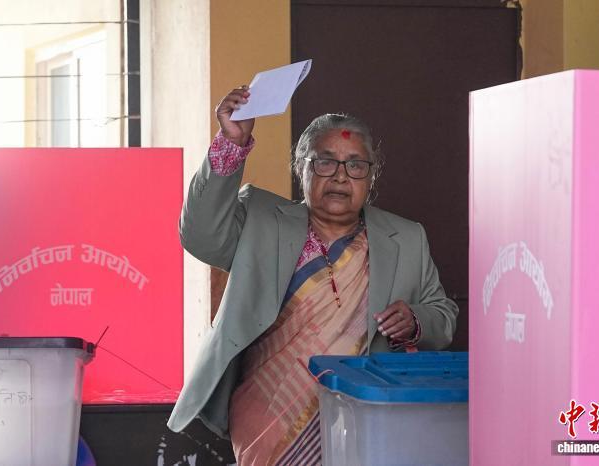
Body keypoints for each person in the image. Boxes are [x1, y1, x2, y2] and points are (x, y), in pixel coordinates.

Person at [167, 85, 458, 465]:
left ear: (371, 177)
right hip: (270, 416)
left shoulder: (406, 238)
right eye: (325, 162)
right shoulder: (261, 219)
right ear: (300, 167)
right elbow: (200, 235)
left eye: (356, 165)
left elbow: (443, 316)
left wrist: (416, 320)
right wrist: (231, 142)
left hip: (363, 416)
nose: (340, 176)